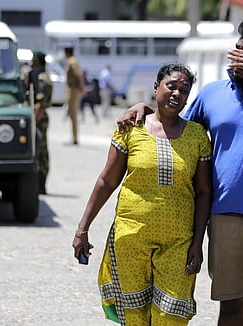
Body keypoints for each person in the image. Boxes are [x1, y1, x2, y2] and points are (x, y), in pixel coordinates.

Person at [117, 17, 243, 326]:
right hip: (225, 218)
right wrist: (144, 107)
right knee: (232, 308)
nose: (237, 57)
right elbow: (176, 125)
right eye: (236, 49)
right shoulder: (212, 94)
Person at [72, 63, 212, 325]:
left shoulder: (197, 136)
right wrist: (83, 228)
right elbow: (107, 180)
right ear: (156, 87)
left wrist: (198, 242)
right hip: (131, 239)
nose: (176, 94)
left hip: (178, 243)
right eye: (171, 85)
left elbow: (204, 193)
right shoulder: (131, 128)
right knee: (134, 316)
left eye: (184, 90)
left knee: (170, 315)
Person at [26, 51, 52, 195]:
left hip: (40, 118)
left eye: (33, 61)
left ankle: (41, 183)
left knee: (41, 151)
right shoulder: (39, 76)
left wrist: (34, 122)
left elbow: (41, 104)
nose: (31, 64)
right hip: (39, 117)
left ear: (38, 62)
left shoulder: (42, 79)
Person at [64, 47, 83, 145]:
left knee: (73, 114)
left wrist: (81, 88)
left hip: (73, 90)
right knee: (72, 114)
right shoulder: (73, 61)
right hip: (72, 89)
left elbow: (78, 75)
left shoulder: (71, 61)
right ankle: (74, 137)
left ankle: (75, 138)